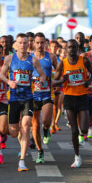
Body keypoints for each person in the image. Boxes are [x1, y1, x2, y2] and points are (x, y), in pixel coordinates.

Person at [0, 33, 46, 171]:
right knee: (14, 132)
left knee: (26, 125)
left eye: (25, 43)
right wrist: (9, 81)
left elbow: (42, 75)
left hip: (27, 97)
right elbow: (1, 74)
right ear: (16, 44)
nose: (23, 45)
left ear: (28, 44)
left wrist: (39, 83)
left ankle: (22, 161)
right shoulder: (9, 59)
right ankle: (15, 133)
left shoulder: (33, 60)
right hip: (14, 98)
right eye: (20, 42)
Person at [53, 39, 92, 168]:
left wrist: (89, 81)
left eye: (73, 47)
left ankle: (83, 135)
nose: (71, 49)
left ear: (77, 48)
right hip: (69, 98)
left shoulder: (84, 61)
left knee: (84, 129)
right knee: (74, 130)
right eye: (69, 47)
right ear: (66, 50)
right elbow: (54, 82)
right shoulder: (63, 63)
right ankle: (77, 156)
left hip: (82, 97)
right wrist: (62, 81)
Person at [31, 32, 58, 164]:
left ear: (46, 43)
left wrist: (57, 82)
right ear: (34, 44)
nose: (40, 45)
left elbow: (59, 72)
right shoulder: (28, 58)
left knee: (46, 120)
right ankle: (40, 150)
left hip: (47, 93)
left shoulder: (51, 57)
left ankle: (46, 130)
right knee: (35, 125)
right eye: (37, 42)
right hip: (32, 95)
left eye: (42, 42)